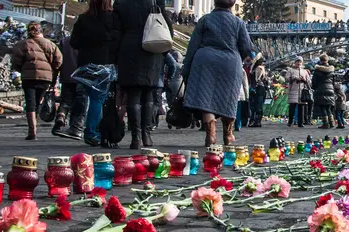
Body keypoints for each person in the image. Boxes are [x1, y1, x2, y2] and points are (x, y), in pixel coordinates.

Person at [182, 0, 252, 146]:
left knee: (206, 99)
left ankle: (211, 133)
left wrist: (186, 68)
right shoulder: (238, 22)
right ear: (232, 4)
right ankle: (228, 135)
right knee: (229, 98)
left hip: (205, 61)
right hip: (230, 62)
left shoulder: (205, 20)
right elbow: (246, 47)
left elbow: (192, 46)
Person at [114, 0, 172, 149]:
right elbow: (166, 23)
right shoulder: (154, 1)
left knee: (133, 95)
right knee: (149, 95)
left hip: (128, 49)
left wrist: (115, 55)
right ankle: (147, 134)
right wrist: (164, 51)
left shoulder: (121, 3)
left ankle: (136, 137)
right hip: (151, 47)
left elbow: (115, 30)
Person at [69, 0, 120, 146]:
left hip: (86, 64)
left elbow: (74, 42)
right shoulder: (113, 17)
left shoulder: (84, 18)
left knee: (83, 96)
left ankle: (77, 126)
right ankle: (92, 132)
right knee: (98, 100)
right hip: (105, 64)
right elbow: (117, 41)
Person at [12, 22, 62, 140]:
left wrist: (23, 69)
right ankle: (36, 122)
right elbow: (59, 61)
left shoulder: (23, 44)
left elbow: (16, 61)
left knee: (30, 102)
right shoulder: (51, 45)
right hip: (45, 78)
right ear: (41, 31)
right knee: (39, 100)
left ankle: (32, 131)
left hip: (28, 77)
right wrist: (52, 71)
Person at [52, 34, 88, 140]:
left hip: (67, 75)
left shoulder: (64, 41)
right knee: (80, 103)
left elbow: (58, 59)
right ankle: (75, 127)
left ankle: (61, 116)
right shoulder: (86, 40)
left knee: (66, 100)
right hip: (81, 75)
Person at [312, 53, 335, 129]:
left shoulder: (317, 70)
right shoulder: (332, 70)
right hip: (330, 89)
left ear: (320, 60)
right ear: (327, 60)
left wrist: (314, 88)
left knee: (322, 108)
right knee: (328, 107)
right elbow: (334, 82)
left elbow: (314, 82)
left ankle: (325, 123)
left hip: (321, 89)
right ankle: (332, 123)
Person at [286, 56, 310, 128]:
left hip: (302, 91)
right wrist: (293, 78)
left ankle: (300, 122)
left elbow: (309, 81)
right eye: (297, 61)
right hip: (293, 90)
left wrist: (304, 80)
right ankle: (290, 121)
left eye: (300, 62)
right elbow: (287, 79)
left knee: (301, 108)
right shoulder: (290, 70)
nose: (299, 63)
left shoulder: (304, 71)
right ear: (295, 62)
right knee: (292, 107)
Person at [248, 53, 268, 128]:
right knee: (256, 105)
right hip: (259, 88)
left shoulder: (259, 68)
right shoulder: (259, 68)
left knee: (257, 105)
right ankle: (256, 121)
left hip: (258, 88)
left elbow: (257, 79)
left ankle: (257, 121)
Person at [235, 66, 249, 132]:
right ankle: (237, 125)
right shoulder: (241, 70)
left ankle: (228, 125)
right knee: (238, 111)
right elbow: (245, 84)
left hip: (229, 93)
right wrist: (247, 95)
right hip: (238, 93)